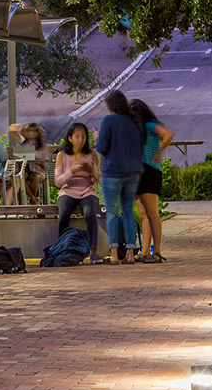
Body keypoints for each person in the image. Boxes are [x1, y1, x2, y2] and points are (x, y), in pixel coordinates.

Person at [96, 90, 145, 264]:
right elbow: (141, 144)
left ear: (110, 106)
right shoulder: (134, 120)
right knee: (128, 212)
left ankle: (115, 254)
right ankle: (131, 253)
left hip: (112, 172)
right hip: (133, 172)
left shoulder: (108, 120)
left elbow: (101, 147)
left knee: (111, 211)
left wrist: (97, 138)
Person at [130, 100, 174, 263]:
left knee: (152, 213)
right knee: (143, 214)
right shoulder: (139, 128)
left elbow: (168, 134)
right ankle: (145, 250)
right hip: (139, 171)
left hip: (150, 170)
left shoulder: (149, 124)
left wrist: (159, 151)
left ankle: (157, 251)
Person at [53, 122, 101, 261]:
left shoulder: (91, 154)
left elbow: (98, 179)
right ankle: (62, 248)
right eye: (77, 136)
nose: (80, 140)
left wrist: (91, 170)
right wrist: (72, 171)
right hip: (68, 190)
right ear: (70, 138)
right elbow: (58, 182)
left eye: (83, 137)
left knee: (90, 213)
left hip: (87, 190)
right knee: (64, 214)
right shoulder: (62, 155)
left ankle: (93, 250)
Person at [6, 122, 49, 203]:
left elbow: (46, 163)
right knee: (21, 177)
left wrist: (37, 161)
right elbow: (12, 130)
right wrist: (22, 126)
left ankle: (33, 199)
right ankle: (33, 199)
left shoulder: (42, 146)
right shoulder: (23, 143)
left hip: (37, 170)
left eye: (32, 131)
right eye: (28, 131)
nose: (30, 133)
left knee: (34, 177)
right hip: (24, 169)